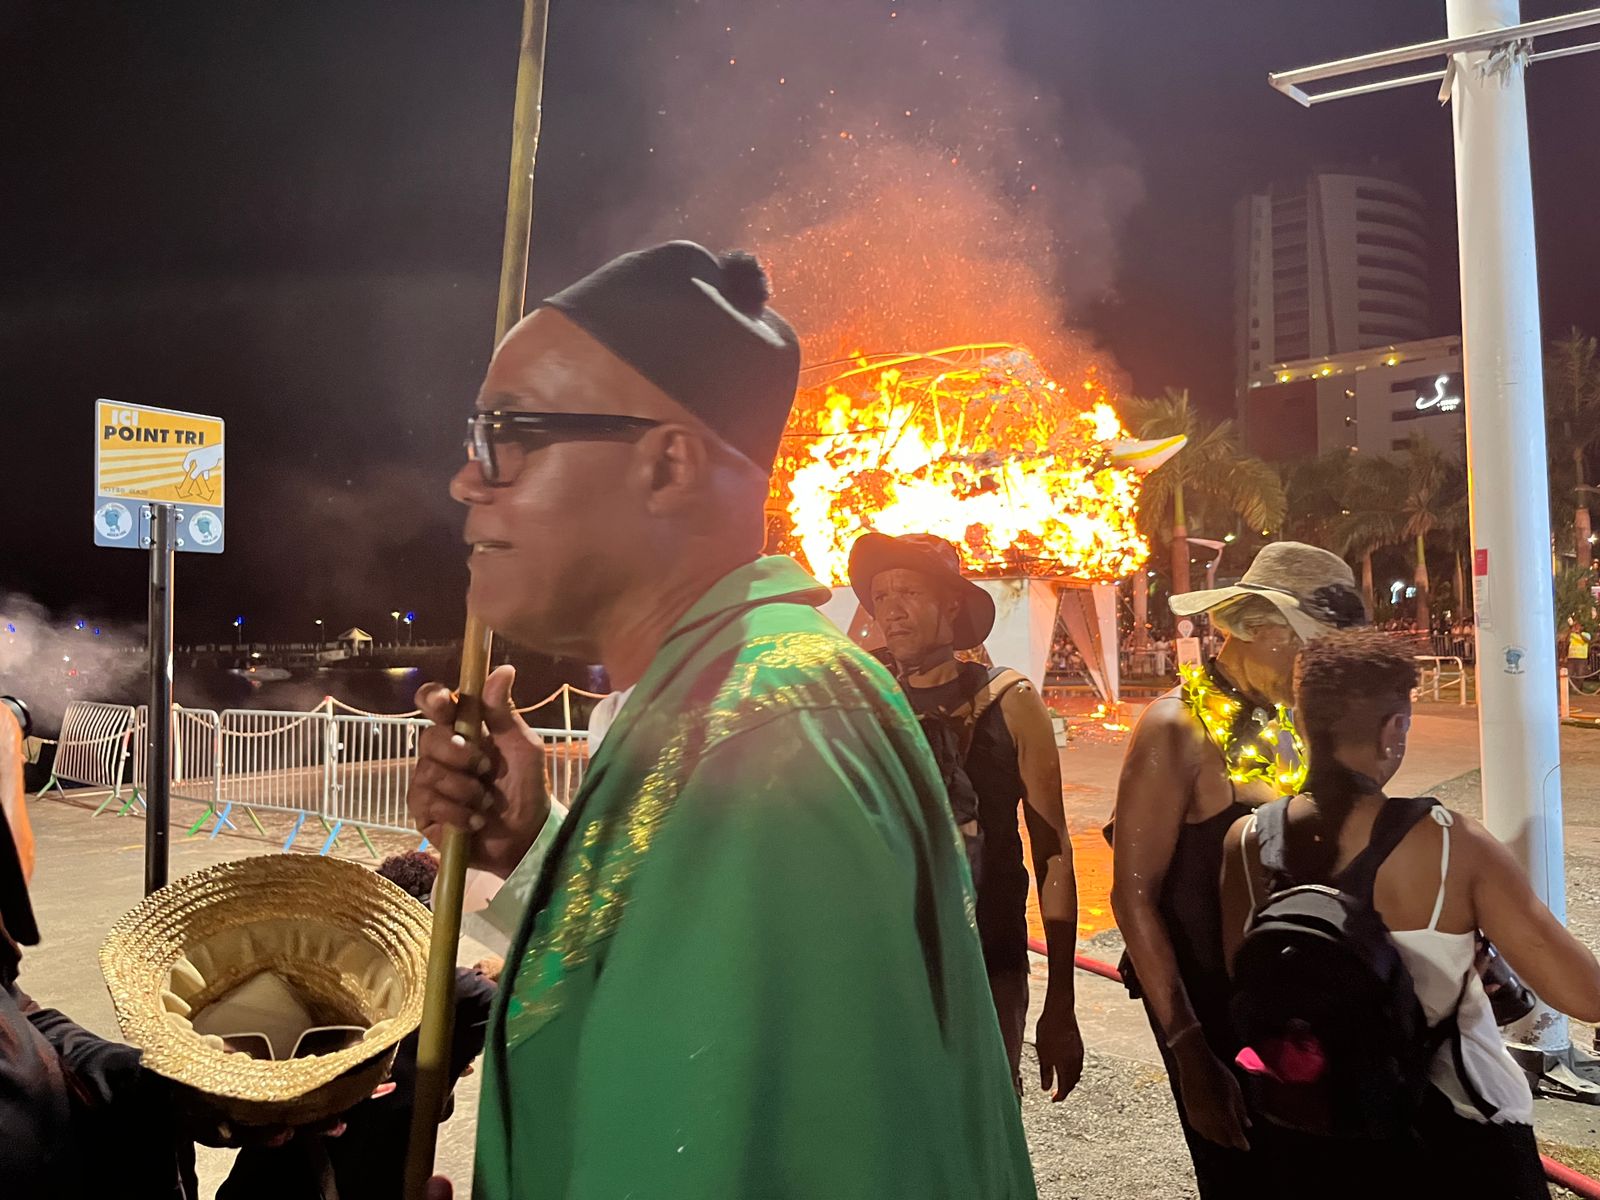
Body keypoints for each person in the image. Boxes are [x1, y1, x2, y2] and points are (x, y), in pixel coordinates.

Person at [405, 241, 1035, 1199]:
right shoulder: (718, 698)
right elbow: (663, 999)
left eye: (509, 434)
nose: (467, 479)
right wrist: (531, 843)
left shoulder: (768, 738)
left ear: (667, 465)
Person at [1220, 631, 1600, 1198]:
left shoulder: (1246, 841)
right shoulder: (1452, 843)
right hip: (1458, 1136)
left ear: (1300, 723)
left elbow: (1245, 974)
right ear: (1393, 728)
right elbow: (1583, 994)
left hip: (1316, 1131)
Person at [1108, 541, 1366, 1198]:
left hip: (1295, 996)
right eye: (1309, 646)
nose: (1319, 667)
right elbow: (1133, 897)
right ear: (1258, 626)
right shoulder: (1176, 728)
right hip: (1211, 1006)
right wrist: (1189, 1049)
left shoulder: (1295, 717)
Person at [847, 530, 1084, 1100]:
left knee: (985, 1110)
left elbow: (1053, 851)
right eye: (880, 597)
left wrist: (1061, 1001)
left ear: (951, 604)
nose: (890, 611)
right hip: (886, 956)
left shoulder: (1011, 700)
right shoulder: (861, 695)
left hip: (988, 956)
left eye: (908, 592)